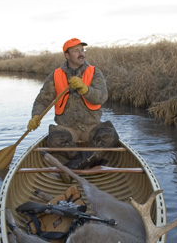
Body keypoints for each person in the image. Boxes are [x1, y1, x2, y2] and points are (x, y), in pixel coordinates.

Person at [27, 38, 119, 170]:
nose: (81, 53)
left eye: (82, 50)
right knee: (54, 140)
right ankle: (91, 161)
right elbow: (43, 100)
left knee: (110, 135)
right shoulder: (55, 75)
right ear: (67, 55)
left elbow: (101, 97)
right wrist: (36, 116)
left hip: (90, 126)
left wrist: (85, 89)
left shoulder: (95, 72)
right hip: (67, 127)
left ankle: (73, 165)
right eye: (76, 51)